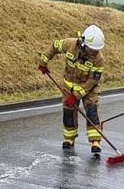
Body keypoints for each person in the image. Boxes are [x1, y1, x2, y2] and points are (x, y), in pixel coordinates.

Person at [37, 24, 106, 156]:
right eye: (91, 49)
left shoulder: (99, 59)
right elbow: (54, 46)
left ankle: (95, 142)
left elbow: (93, 80)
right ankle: (69, 139)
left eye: (96, 50)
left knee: (91, 111)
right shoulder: (70, 44)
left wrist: (77, 95)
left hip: (89, 89)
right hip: (69, 87)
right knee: (68, 112)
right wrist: (43, 62)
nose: (94, 52)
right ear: (83, 43)